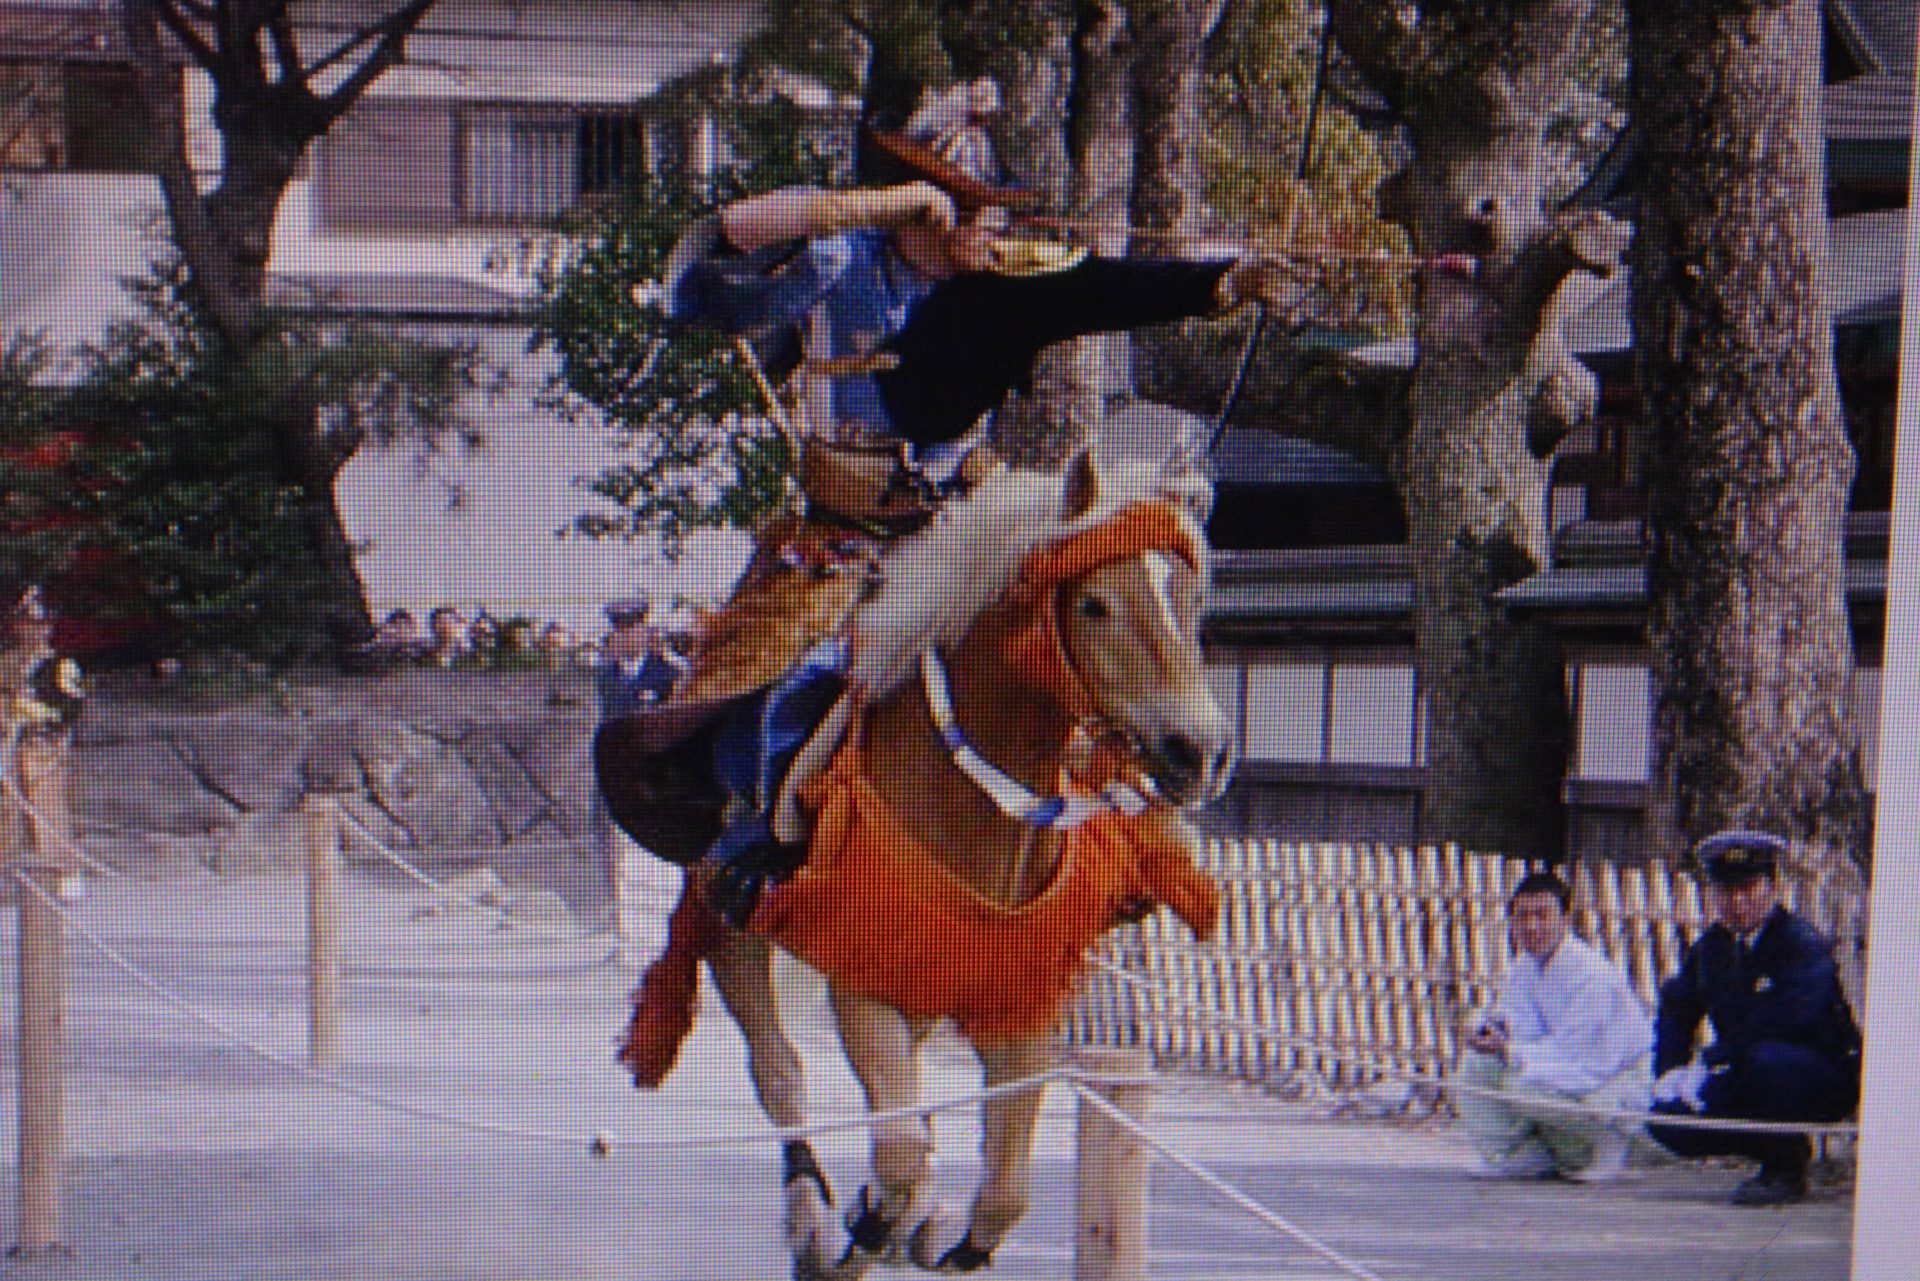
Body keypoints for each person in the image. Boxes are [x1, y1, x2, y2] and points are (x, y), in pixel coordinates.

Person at [607, 76, 1294, 927]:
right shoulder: (836, 265)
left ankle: (1121, 843)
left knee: (1068, 648)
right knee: (791, 678)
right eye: (970, 211)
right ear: (919, 212)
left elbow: (1100, 288)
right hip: (841, 544)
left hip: (961, 534)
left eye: (993, 212)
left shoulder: (995, 288)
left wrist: (1222, 283)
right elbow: (695, 274)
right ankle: (763, 840)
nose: (992, 230)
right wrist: (873, 204)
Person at [1646, 830, 1863, 1206]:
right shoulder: (1713, 948)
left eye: (1749, 888)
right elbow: (1677, 1007)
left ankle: (1786, 1168)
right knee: (1667, 1119)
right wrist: (1671, 1071)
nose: (1739, 902)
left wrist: (1712, 1058)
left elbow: (1790, 1018)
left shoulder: (1799, 942)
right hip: (1749, 1071)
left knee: (1765, 1061)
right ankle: (1769, 1148)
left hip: (1819, 1077)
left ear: (1773, 887)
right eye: (1727, 891)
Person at [1454, 870, 1653, 1182]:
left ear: (1565, 917)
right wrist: (1486, 1031)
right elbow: (1513, 1023)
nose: (1532, 926)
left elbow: (1580, 1058)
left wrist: (1513, 1053)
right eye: (1523, 917)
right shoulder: (1525, 967)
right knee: (1477, 1065)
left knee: (1523, 1083)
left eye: (1543, 915)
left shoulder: (1592, 974)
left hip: (1615, 1081)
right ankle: (1520, 1154)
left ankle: (1609, 1146)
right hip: (1563, 1078)